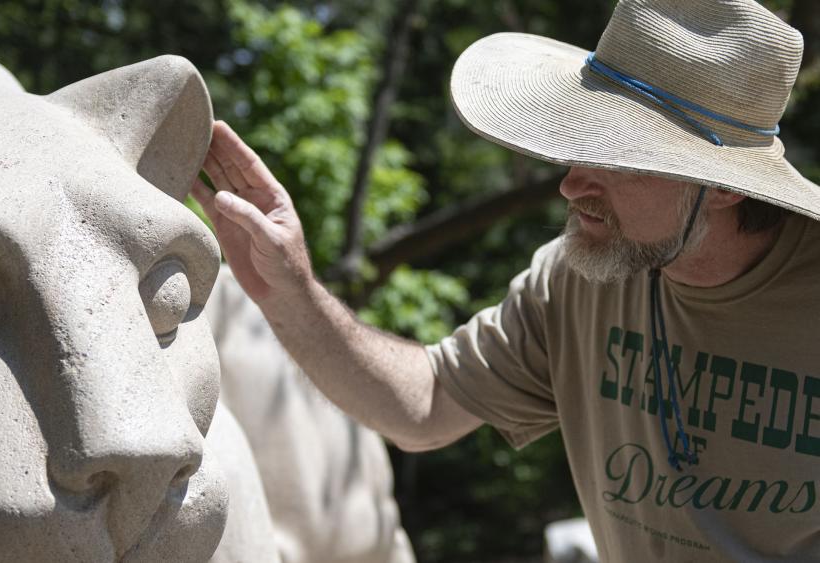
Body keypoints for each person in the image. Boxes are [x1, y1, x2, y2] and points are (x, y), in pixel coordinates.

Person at [192, 0, 820, 560]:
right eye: (581, 145)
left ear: (724, 189)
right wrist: (289, 290)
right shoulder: (579, 278)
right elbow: (426, 406)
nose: (572, 184)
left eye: (619, 158)